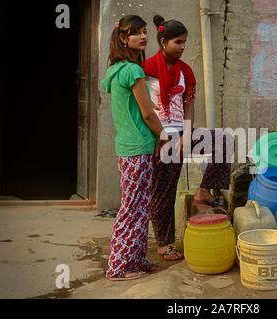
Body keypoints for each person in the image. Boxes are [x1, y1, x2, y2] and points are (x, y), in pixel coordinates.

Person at [143, 15, 233, 261]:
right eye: (177, 42)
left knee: (223, 140)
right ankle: (164, 243)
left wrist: (187, 133)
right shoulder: (147, 69)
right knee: (165, 191)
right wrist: (165, 138)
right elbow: (144, 109)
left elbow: (189, 104)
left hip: (181, 133)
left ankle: (204, 191)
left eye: (184, 42)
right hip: (159, 136)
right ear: (163, 41)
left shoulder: (185, 71)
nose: (182, 47)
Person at [101, 15, 168, 281]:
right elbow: (148, 113)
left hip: (127, 147)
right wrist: (165, 136)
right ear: (122, 38)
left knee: (139, 207)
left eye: (144, 32)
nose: (143, 36)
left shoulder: (115, 70)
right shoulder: (133, 71)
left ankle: (137, 260)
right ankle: (118, 266)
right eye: (136, 33)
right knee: (132, 208)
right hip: (137, 147)